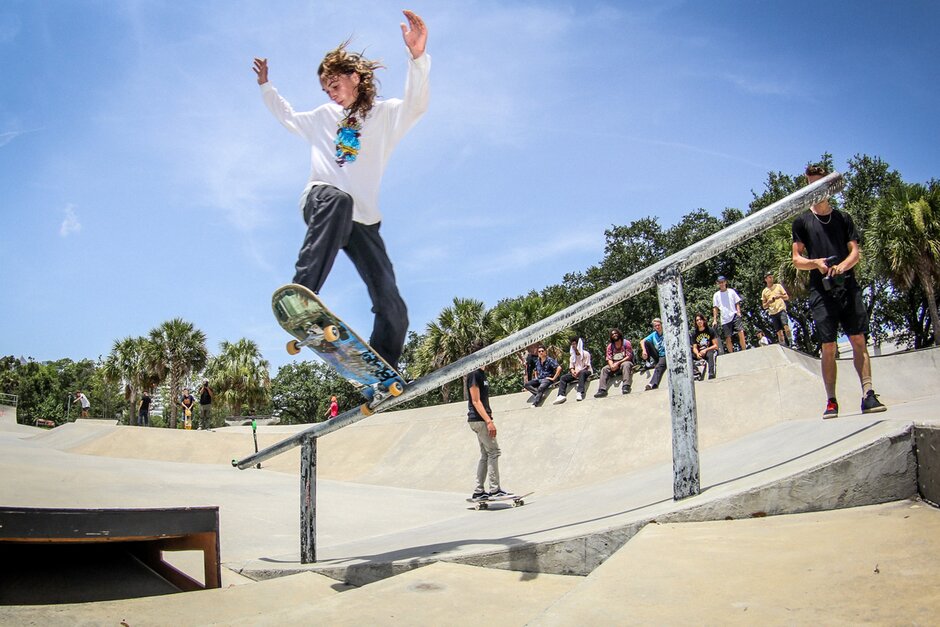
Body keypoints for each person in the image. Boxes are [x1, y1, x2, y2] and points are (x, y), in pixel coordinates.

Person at [253, 10, 429, 368]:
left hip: (363, 221)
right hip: (322, 201)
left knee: (392, 302)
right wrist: (266, 87)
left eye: (334, 86)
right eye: (325, 89)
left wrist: (417, 57)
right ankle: (303, 294)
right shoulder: (321, 117)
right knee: (338, 199)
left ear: (355, 78)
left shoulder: (385, 115)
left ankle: (383, 370)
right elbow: (287, 116)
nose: (330, 95)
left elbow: (417, 104)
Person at [792, 163, 887, 418]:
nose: (816, 188)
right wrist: (817, 264)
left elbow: (855, 252)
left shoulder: (843, 218)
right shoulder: (802, 222)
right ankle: (831, 400)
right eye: (812, 184)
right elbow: (796, 259)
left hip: (847, 286)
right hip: (820, 290)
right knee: (828, 345)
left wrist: (842, 267)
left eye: (820, 183)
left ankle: (868, 393)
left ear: (829, 186)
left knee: (858, 339)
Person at [466, 342, 511, 501]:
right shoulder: (474, 374)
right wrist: (489, 421)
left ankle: (479, 491)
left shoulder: (481, 373)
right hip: (479, 420)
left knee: (485, 454)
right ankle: (494, 489)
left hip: (480, 419)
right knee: (494, 452)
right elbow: (476, 401)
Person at [594, 328, 634, 397]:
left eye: (615, 333)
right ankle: (602, 390)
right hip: (615, 365)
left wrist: (618, 363)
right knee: (605, 369)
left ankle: (626, 386)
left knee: (626, 364)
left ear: (619, 334)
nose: (614, 335)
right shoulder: (610, 346)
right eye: (612, 334)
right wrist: (612, 365)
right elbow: (609, 357)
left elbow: (629, 356)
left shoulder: (626, 343)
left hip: (625, 362)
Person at [712, 276, 747, 353]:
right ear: (718, 284)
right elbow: (715, 308)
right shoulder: (716, 295)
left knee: (741, 331)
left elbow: (736, 302)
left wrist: (738, 312)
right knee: (728, 337)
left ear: (725, 282)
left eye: (722, 282)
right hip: (724, 318)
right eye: (720, 282)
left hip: (734, 314)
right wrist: (715, 319)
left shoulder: (731, 291)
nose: (721, 284)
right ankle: (731, 353)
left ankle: (744, 350)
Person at [554, 337, 593, 404]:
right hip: (576, 373)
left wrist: (579, 371)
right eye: (572, 344)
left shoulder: (586, 353)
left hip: (585, 371)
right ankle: (561, 395)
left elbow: (587, 366)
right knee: (563, 378)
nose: (573, 346)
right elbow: (571, 367)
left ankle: (579, 392)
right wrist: (573, 371)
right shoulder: (572, 356)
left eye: (575, 344)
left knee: (582, 373)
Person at [761, 271, 792, 346]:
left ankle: (791, 342)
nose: (771, 278)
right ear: (766, 279)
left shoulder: (778, 286)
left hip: (781, 309)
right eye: (769, 277)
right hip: (773, 313)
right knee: (779, 332)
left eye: (772, 277)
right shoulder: (764, 291)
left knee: (786, 326)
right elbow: (764, 306)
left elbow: (787, 297)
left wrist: (779, 296)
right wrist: (768, 302)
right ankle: (783, 344)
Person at [690, 313, 719, 380]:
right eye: (697, 320)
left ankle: (711, 374)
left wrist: (705, 350)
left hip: (710, 350)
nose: (699, 321)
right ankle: (696, 372)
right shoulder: (694, 333)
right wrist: (697, 353)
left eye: (700, 319)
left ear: (703, 321)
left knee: (710, 355)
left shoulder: (710, 330)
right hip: (700, 352)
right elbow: (694, 347)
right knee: (688, 356)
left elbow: (716, 346)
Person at [641, 319, 667, 391]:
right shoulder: (654, 334)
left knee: (659, 367)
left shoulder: (667, 332)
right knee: (646, 342)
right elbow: (642, 341)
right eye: (656, 326)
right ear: (654, 327)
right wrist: (644, 351)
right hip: (659, 355)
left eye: (659, 325)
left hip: (666, 355)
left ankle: (652, 384)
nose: (658, 327)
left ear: (661, 325)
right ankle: (648, 363)